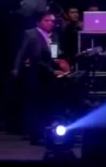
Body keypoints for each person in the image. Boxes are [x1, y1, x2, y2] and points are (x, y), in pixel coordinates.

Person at [12, 11, 68, 143]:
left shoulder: (54, 36)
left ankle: (46, 132)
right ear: (39, 22)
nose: (50, 23)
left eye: (52, 21)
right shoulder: (30, 34)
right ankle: (33, 134)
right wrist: (16, 68)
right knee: (34, 103)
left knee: (47, 104)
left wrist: (60, 63)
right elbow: (21, 52)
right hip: (35, 73)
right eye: (47, 20)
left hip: (49, 75)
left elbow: (54, 56)